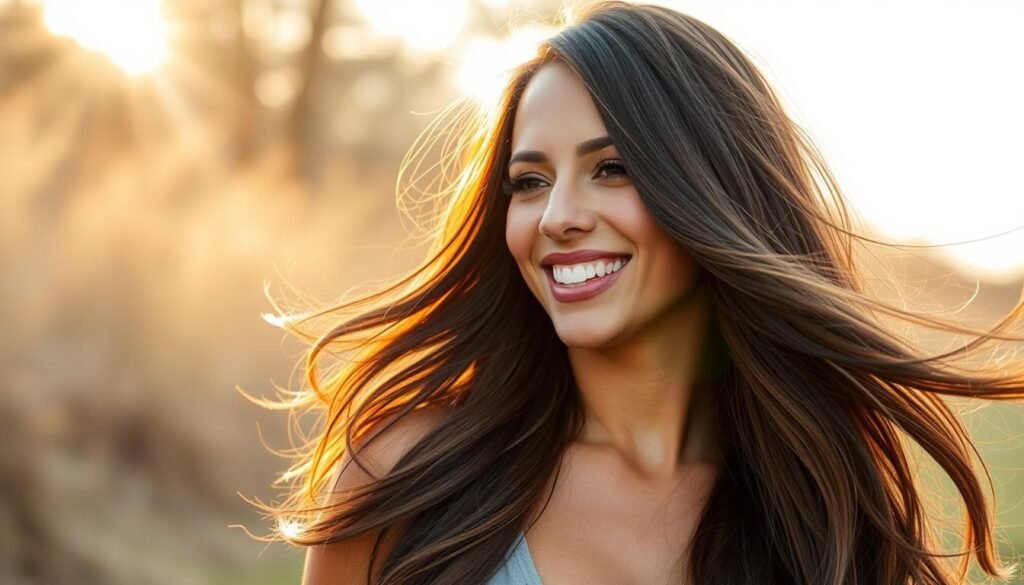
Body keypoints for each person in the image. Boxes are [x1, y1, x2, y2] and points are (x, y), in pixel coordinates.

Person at [249, 2, 1024, 583]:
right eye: (529, 182)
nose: (557, 217)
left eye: (611, 168)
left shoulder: (828, 518)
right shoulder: (408, 476)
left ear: (714, 191)